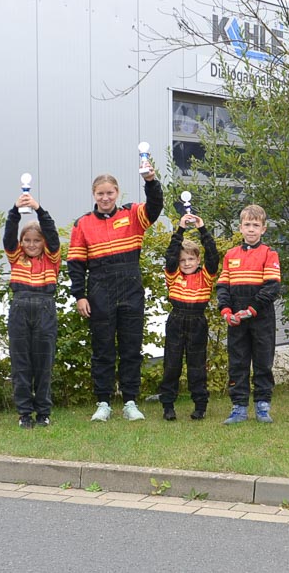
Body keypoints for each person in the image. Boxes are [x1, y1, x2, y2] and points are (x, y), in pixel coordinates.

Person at [67, 165, 163, 422]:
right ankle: (104, 403)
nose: (105, 198)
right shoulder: (82, 224)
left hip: (131, 288)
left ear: (117, 193)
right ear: (94, 195)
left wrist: (151, 181)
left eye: (109, 193)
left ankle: (130, 402)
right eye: (100, 193)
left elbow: (155, 206)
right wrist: (79, 295)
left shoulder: (133, 214)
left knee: (131, 349)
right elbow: (75, 264)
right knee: (103, 350)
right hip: (99, 290)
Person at [218, 204, 282, 424]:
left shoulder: (269, 253)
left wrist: (252, 309)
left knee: (263, 362)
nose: (251, 229)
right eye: (247, 225)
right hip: (236, 319)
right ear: (240, 227)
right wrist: (225, 310)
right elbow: (223, 286)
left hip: (261, 316)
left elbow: (272, 287)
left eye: (256, 225)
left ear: (263, 229)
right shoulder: (231, 255)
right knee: (238, 362)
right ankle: (239, 407)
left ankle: (263, 406)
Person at [4, 192, 62, 429]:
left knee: (43, 364)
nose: (31, 244)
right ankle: (24, 413)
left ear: (43, 242)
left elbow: (52, 233)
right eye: (26, 240)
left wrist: (38, 209)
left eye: (36, 240)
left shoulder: (52, 258)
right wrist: (15, 211)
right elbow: (9, 235)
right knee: (21, 364)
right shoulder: (15, 256)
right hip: (19, 308)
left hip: (44, 309)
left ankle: (43, 413)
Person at [160, 213, 219, 421]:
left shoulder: (206, 275)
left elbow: (213, 256)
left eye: (191, 259)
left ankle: (200, 406)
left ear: (198, 259)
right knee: (171, 365)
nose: (186, 263)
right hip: (176, 320)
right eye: (182, 260)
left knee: (197, 366)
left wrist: (202, 229)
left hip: (197, 322)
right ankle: (168, 406)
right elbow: (170, 255)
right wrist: (180, 229)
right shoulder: (173, 275)